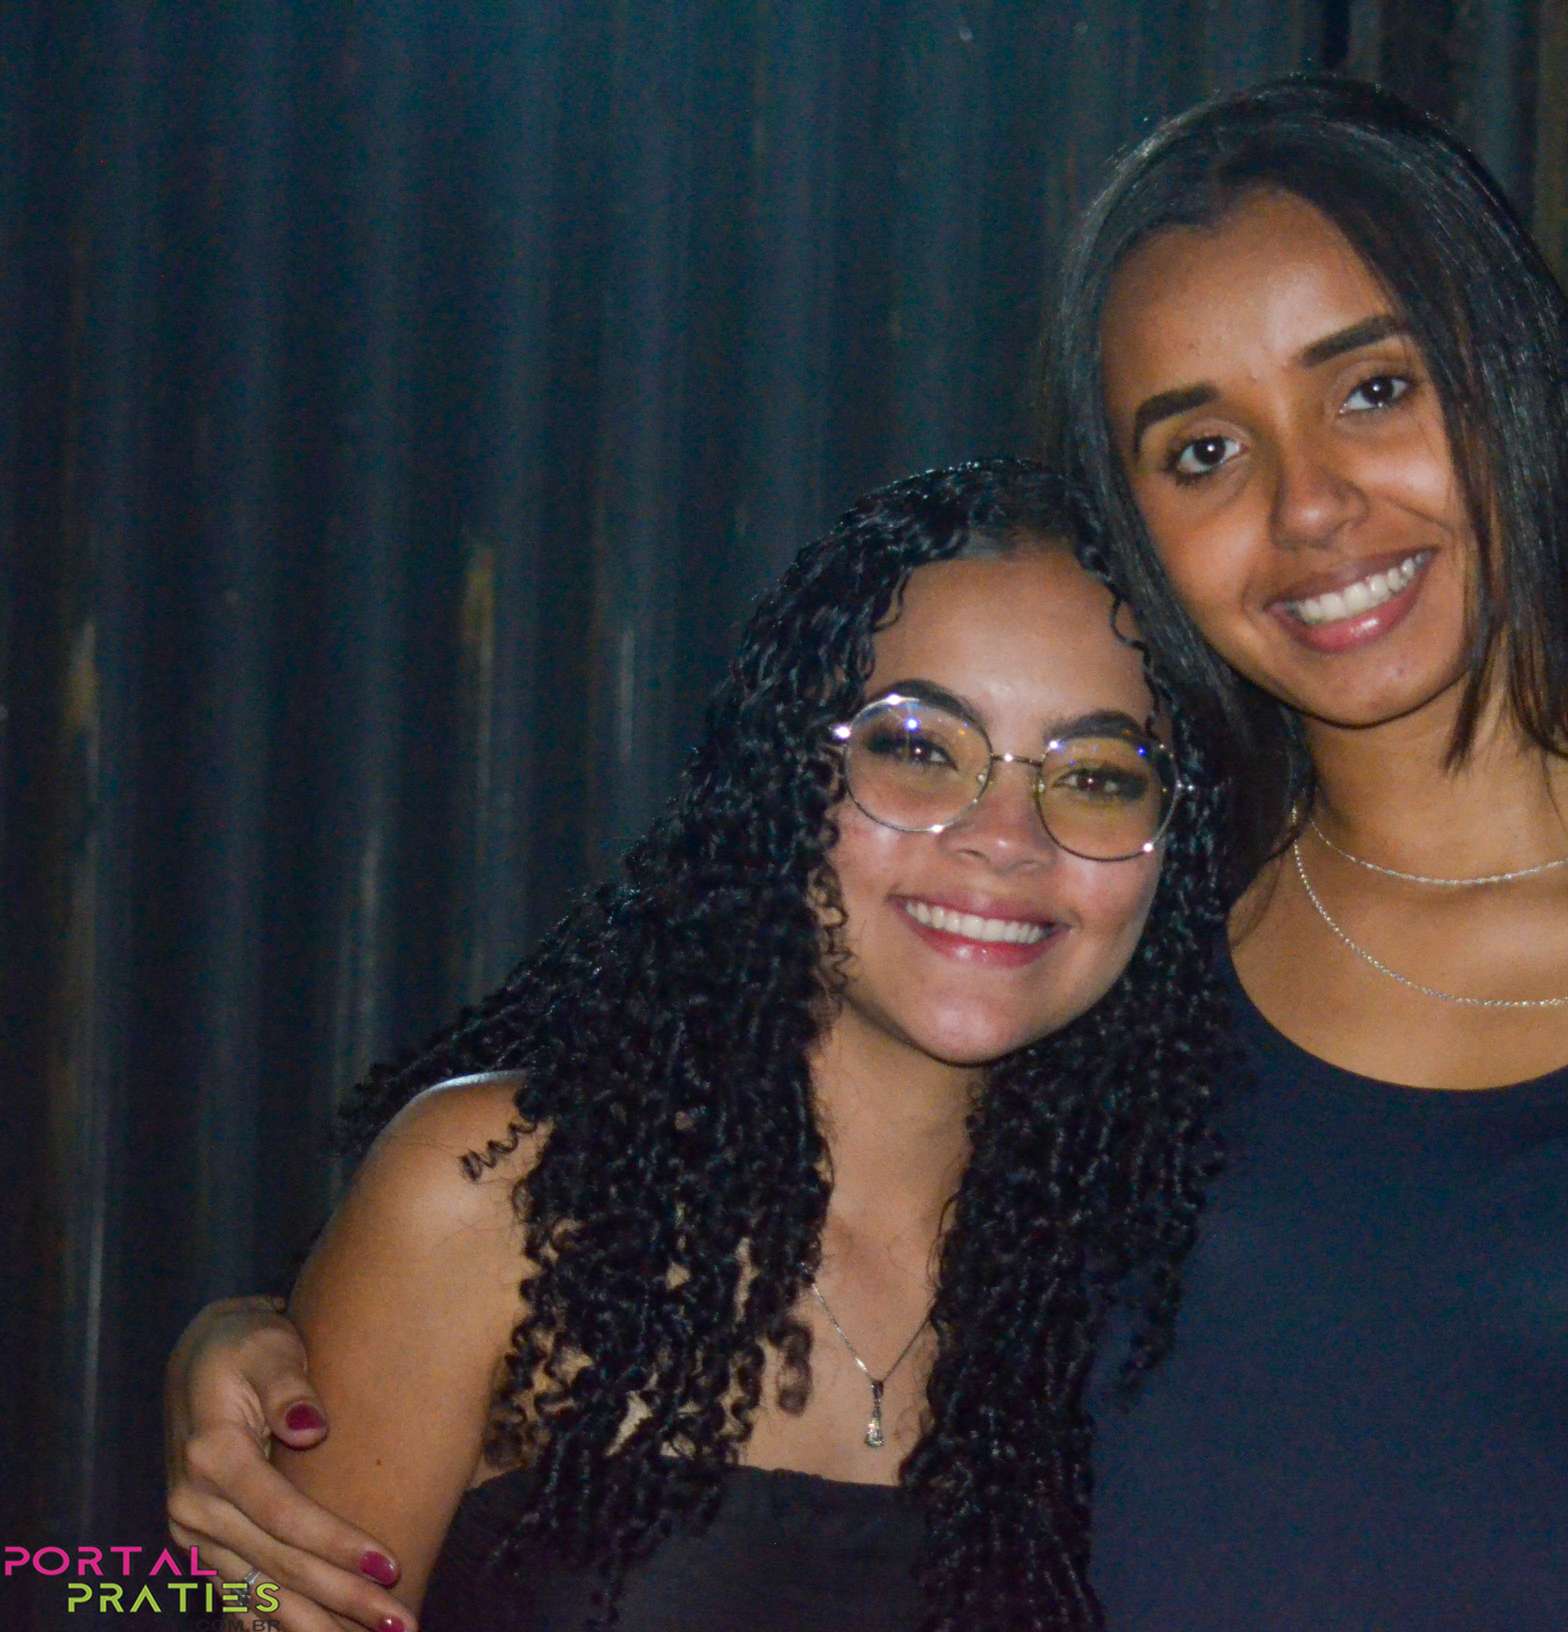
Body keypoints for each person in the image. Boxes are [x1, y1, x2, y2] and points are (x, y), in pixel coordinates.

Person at [168, 75, 1568, 1631]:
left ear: (1508, 375)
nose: (1310, 504)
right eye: (1200, 449)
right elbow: (161, 1579)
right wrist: (229, 1385)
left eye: (1373, 387)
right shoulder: (1118, 956)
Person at [163, 460, 1236, 1630]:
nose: (1005, 837)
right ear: (786, 781)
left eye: (1096, 776)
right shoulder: (505, 1194)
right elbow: (191, 1596)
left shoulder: (1161, 1286)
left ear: (1172, 853)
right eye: (920, 747)